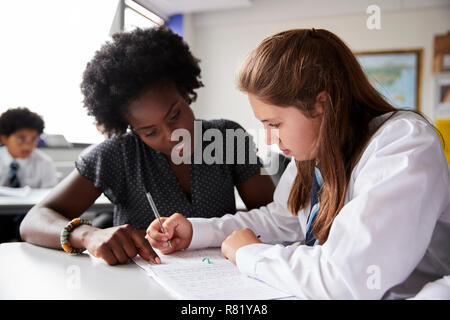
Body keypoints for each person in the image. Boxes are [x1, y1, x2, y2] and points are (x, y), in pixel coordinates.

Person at [147, 28, 450, 299]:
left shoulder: (404, 144)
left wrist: (250, 255)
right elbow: (281, 220)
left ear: (322, 104)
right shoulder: (315, 150)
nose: (268, 138)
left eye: (275, 123)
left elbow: (346, 279)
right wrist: (197, 231)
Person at [20, 26, 275, 266]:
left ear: (185, 93)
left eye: (174, 116)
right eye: (150, 131)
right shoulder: (117, 155)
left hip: (222, 277)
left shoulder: (226, 137)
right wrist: (87, 235)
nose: (171, 135)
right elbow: (33, 221)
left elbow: (274, 215)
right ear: (130, 127)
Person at [0, 107, 58, 242]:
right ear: (4, 138)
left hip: (30, 216)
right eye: (21, 139)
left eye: (33, 139)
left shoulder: (45, 163)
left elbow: (50, 197)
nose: (28, 145)